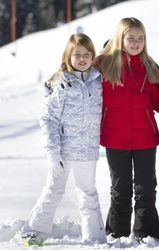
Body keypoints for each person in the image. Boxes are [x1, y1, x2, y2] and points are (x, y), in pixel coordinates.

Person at [21, 33, 106, 246]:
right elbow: (48, 118)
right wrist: (52, 151)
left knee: (88, 194)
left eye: (87, 54)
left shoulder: (98, 81)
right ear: (68, 56)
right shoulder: (62, 84)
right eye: (77, 54)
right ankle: (34, 233)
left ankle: (94, 238)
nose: (82, 59)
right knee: (53, 190)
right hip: (63, 152)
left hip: (87, 151)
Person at [94, 17, 159, 242]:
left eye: (140, 38)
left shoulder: (150, 67)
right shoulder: (105, 66)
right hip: (115, 138)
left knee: (146, 188)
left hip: (145, 137)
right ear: (120, 38)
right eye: (130, 38)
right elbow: (80, 72)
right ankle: (117, 232)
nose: (136, 43)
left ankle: (147, 233)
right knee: (120, 188)